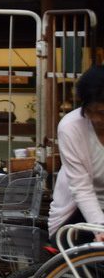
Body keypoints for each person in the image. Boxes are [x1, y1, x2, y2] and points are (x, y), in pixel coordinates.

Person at [49, 66, 104, 243]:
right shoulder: (71, 127)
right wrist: (100, 227)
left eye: (102, 113)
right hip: (76, 213)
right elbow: (81, 188)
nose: (97, 119)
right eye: (91, 111)